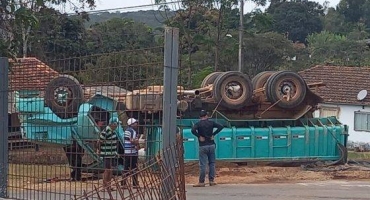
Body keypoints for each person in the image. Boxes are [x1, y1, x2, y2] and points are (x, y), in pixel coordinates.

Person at [191, 110, 224, 187]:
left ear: (200, 117)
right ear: (206, 116)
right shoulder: (211, 123)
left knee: (203, 164)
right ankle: (211, 181)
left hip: (203, 146)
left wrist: (199, 136)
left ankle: (201, 182)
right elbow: (221, 126)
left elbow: (192, 130)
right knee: (212, 163)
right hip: (211, 145)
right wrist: (213, 134)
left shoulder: (198, 124)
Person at [99, 117, 119, 190]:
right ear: (112, 124)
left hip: (112, 154)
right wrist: (100, 151)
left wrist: (115, 152)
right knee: (107, 170)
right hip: (107, 154)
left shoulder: (113, 132)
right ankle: (104, 186)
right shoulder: (106, 131)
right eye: (116, 124)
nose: (117, 126)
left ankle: (109, 186)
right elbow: (100, 142)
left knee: (110, 170)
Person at [121, 118, 140, 188]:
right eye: (135, 123)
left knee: (128, 168)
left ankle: (124, 183)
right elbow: (132, 141)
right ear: (131, 124)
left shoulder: (132, 131)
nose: (137, 124)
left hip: (129, 152)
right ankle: (133, 184)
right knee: (133, 168)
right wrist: (137, 142)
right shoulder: (129, 131)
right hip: (131, 152)